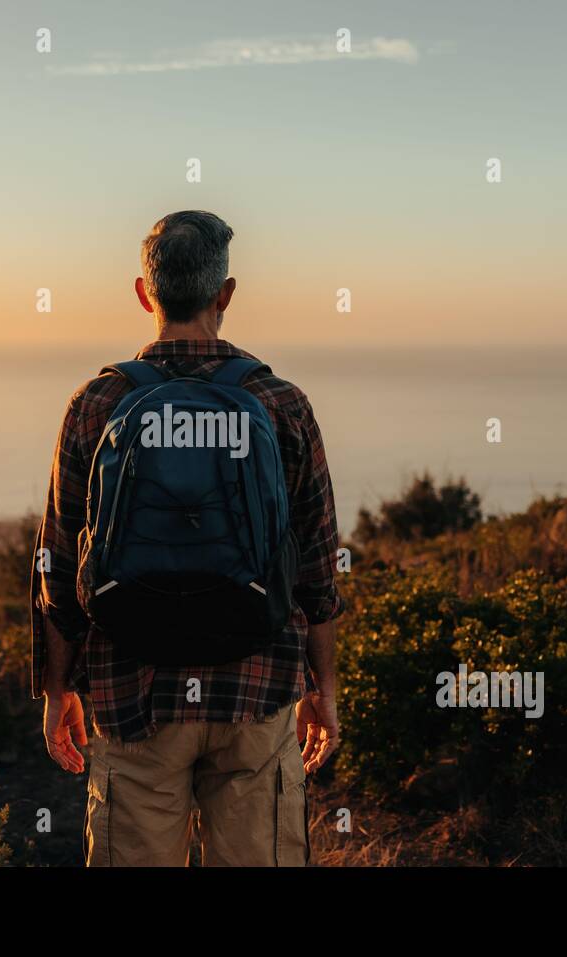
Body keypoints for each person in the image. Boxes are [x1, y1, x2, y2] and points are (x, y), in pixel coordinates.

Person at [30, 210, 344, 866]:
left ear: (145, 293)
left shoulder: (97, 403)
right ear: (224, 294)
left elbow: (58, 565)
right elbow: (317, 566)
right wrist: (324, 690)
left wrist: (59, 690)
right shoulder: (281, 402)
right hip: (256, 690)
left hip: (131, 690)